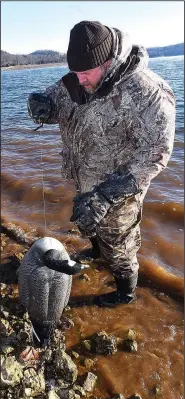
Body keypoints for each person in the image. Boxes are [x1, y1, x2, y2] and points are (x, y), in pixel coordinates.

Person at [27, 21, 176, 307]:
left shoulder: (150, 93)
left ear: (108, 62)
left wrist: (106, 195)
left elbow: (157, 153)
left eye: (86, 73)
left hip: (118, 191)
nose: (79, 79)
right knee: (92, 227)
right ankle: (96, 252)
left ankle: (125, 293)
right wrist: (40, 105)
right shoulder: (76, 78)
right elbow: (54, 101)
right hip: (84, 177)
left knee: (120, 244)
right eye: (75, 72)